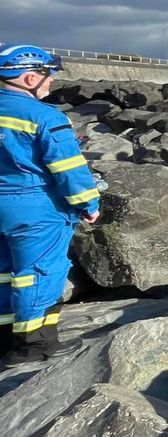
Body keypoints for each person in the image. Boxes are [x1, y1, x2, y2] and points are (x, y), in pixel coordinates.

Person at [0, 45, 100, 365]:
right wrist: (89, 203)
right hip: (35, 209)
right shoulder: (45, 117)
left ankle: (4, 338)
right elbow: (68, 168)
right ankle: (34, 345)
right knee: (41, 272)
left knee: (4, 271)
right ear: (29, 78)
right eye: (48, 75)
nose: (51, 82)